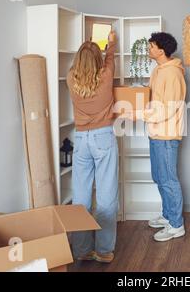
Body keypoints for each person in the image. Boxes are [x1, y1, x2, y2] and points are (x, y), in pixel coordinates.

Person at [127, 32, 187, 242]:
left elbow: (168, 108)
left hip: (167, 135)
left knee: (168, 179)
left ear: (161, 50)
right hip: (156, 132)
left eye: (151, 46)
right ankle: (168, 215)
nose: (149, 50)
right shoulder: (159, 70)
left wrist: (137, 115)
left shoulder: (172, 74)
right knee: (159, 177)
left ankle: (176, 225)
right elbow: (155, 98)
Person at [66, 31, 119, 263]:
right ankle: (104, 251)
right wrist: (111, 42)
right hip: (103, 137)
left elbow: (86, 64)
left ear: (77, 60)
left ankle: (81, 250)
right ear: (98, 60)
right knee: (106, 195)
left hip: (81, 140)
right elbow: (110, 57)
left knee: (81, 198)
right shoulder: (106, 75)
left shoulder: (70, 78)